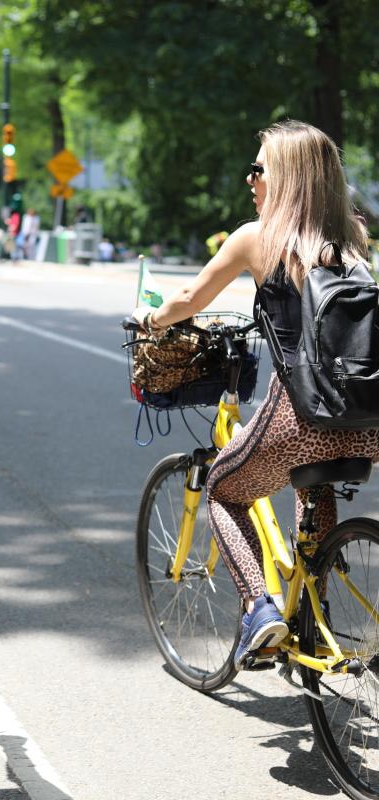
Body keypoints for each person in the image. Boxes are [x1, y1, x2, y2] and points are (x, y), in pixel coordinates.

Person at [132, 120, 379, 669]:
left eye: (259, 168)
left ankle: (257, 611)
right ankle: (314, 613)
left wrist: (151, 318)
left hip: (303, 415)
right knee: (314, 480)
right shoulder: (353, 240)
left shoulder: (256, 238)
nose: (250, 178)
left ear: (286, 179)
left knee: (224, 488)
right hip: (364, 418)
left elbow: (190, 299)